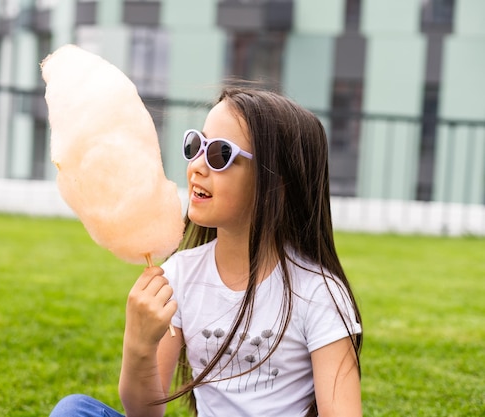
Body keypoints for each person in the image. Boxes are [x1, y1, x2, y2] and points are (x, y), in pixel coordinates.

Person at [49, 86, 363, 417]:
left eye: (219, 154)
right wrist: (138, 346)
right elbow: (143, 414)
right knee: (73, 411)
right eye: (196, 145)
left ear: (277, 185)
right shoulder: (180, 276)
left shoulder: (318, 293)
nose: (198, 165)